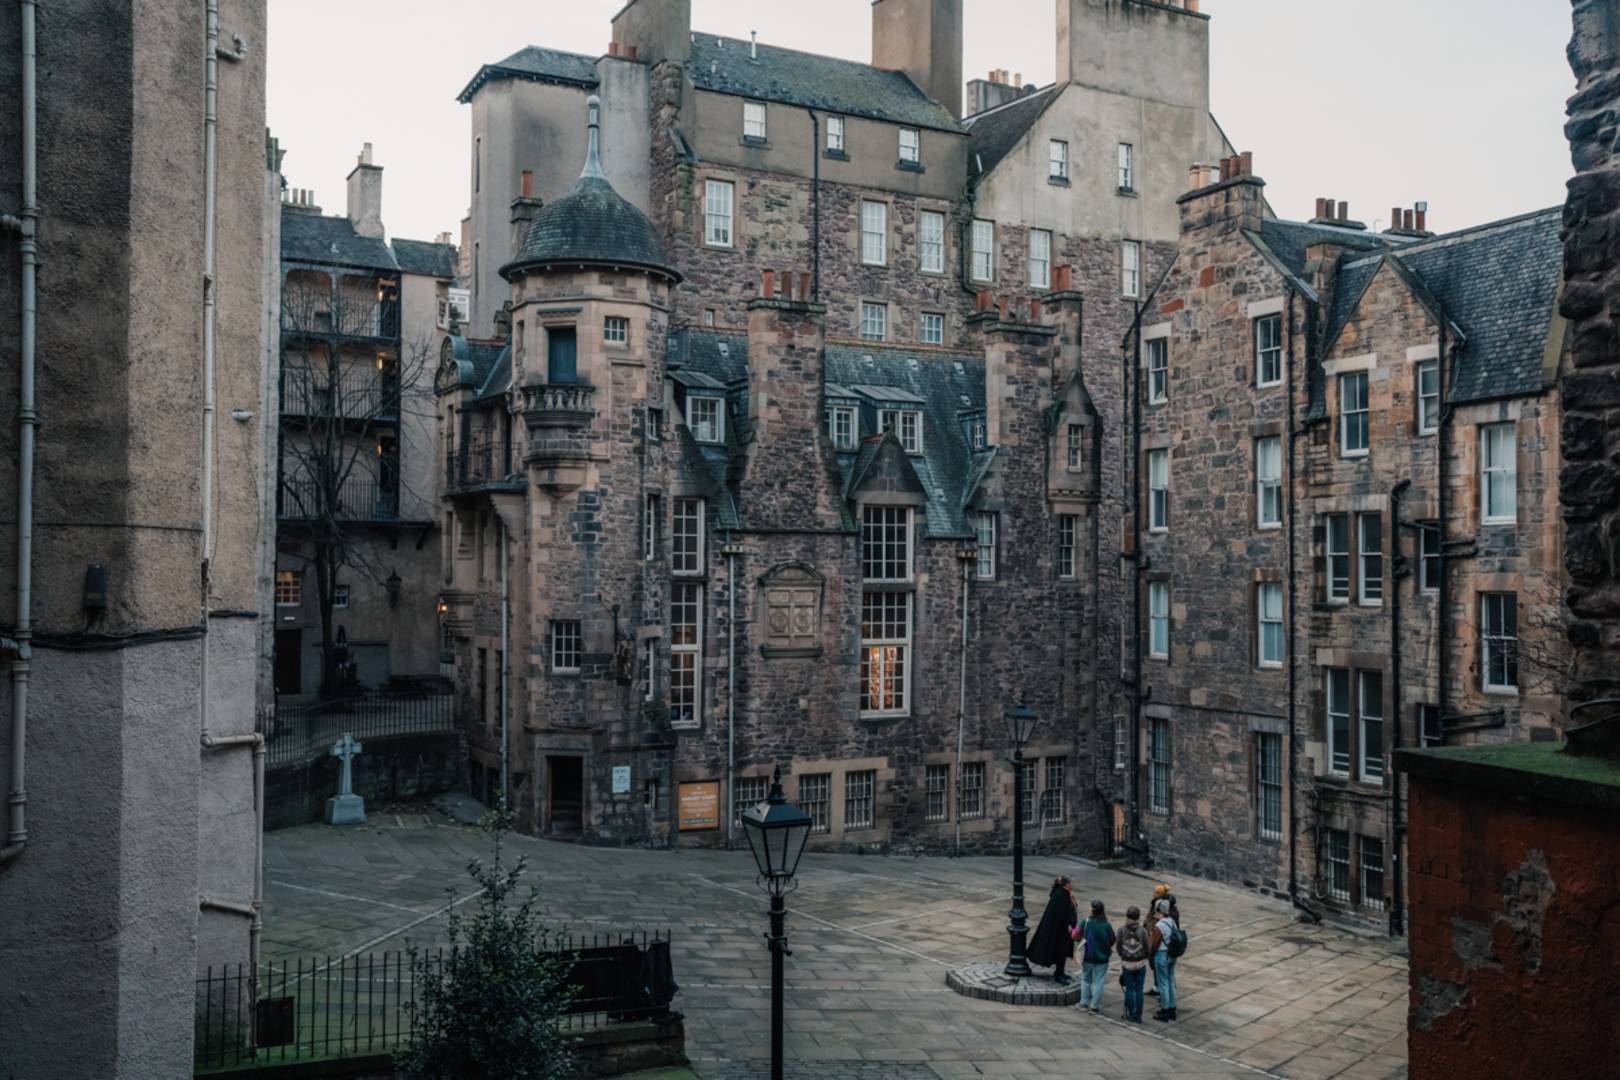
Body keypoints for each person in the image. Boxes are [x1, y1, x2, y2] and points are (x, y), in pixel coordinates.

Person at [1027, 876, 1078, 984]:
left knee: (1062, 952)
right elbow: (1063, 914)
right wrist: (1068, 924)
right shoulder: (1061, 896)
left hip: (1061, 930)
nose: (1072, 885)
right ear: (1065, 885)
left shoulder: (1062, 894)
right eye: (1070, 883)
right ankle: (1059, 974)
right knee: (1061, 952)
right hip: (1060, 931)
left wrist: (1074, 905)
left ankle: (1060, 972)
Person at [1075, 899, 1115, 1013]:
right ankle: (1095, 1005)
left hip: (1088, 955)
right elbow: (1112, 939)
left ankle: (1084, 1002)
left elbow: (1076, 935)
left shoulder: (1086, 922)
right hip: (1102, 958)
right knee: (1099, 981)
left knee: (1086, 979)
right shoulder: (1106, 925)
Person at [1115, 906, 1151, 1022]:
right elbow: (1147, 947)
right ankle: (1138, 1015)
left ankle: (1130, 1014)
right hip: (1140, 963)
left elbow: (1118, 946)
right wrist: (1144, 956)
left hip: (1127, 964)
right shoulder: (1142, 931)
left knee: (1129, 989)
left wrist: (1124, 955)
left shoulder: (1121, 930)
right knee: (1139, 990)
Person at [1146, 883, 1179, 996]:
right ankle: (1158, 988)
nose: (1153, 894)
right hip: (1161, 943)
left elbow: (1160, 928)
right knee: (1160, 971)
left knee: (1166, 976)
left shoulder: (1166, 912)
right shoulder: (1158, 905)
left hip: (1163, 946)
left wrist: (1151, 949)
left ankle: (1165, 998)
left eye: (1155, 892)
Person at [1149, 897, 1179, 1022]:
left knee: (1163, 983)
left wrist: (1150, 954)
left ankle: (1165, 1009)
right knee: (1171, 981)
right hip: (1172, 955)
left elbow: (1154, 944)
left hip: (1161, 955)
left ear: (1159, 910)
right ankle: (1172, 1008)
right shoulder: (1172, 921)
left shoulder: (1159, 926)